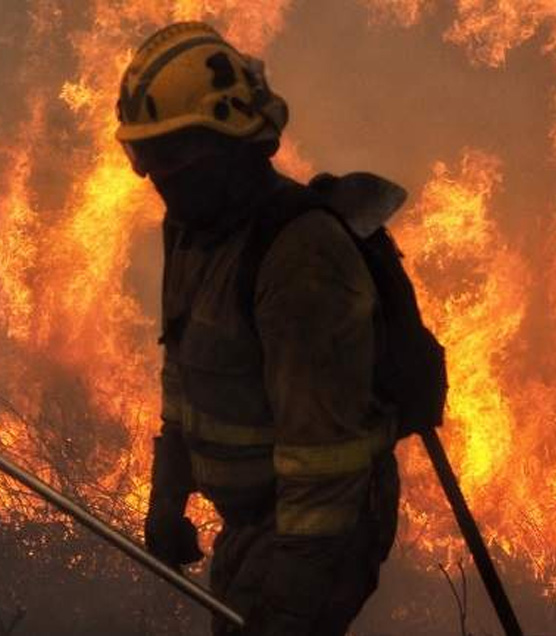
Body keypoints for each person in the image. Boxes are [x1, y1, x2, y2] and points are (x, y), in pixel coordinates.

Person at [116, 22, 401, 636]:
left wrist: (291, 604)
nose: (155, 178)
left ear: (229, 142)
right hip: (255, 518)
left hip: (319, 530)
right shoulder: (192, 227)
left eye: (171, 156)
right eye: (147, 156)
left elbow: (326, 465)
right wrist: (169, 496)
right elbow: (182, 373)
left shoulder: (301, 258)